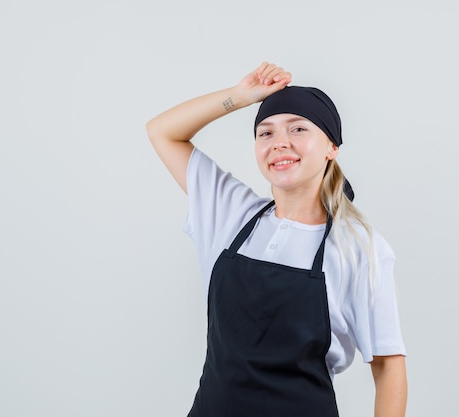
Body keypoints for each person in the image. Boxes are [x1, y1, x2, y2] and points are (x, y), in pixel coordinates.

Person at [146, 62, 407, 417]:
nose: (279, 143)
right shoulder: (230, 213)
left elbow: (388, 366)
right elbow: (162, 131)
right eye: (265, 133)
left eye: (298, 129)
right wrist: (239, 98)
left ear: (331, 147)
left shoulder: (358, 246)